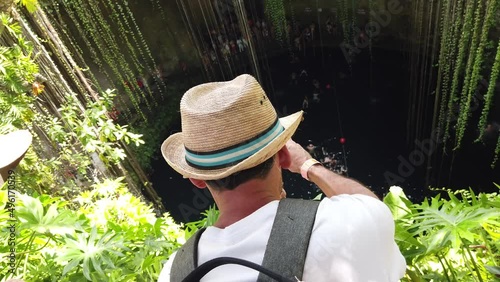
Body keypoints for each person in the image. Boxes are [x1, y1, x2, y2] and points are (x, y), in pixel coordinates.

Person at [158, 74, 406, 281]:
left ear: (197, 179)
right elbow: (370, 204)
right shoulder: (348, 226)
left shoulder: (174, 272)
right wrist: (310, 166)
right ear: (285, 156)